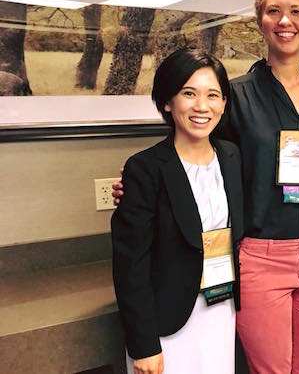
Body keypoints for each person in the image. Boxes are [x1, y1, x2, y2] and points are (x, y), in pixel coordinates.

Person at [114, 0, 299, 374]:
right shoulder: (236, 96)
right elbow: (191, 151)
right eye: (274, 11)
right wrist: (141, 188)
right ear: (260, 19)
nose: (285, 21)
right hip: (260, 258)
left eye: (296, 12)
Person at [111, 49, 244, 374]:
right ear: (168, 101)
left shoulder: (231, 157)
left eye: (213, 95)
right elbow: (131, 267)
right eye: (189, 93)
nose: (202, 106)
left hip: (219, 310)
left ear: (224, 104)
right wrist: (144, 346)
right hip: (167, 325)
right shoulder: (145, 169)